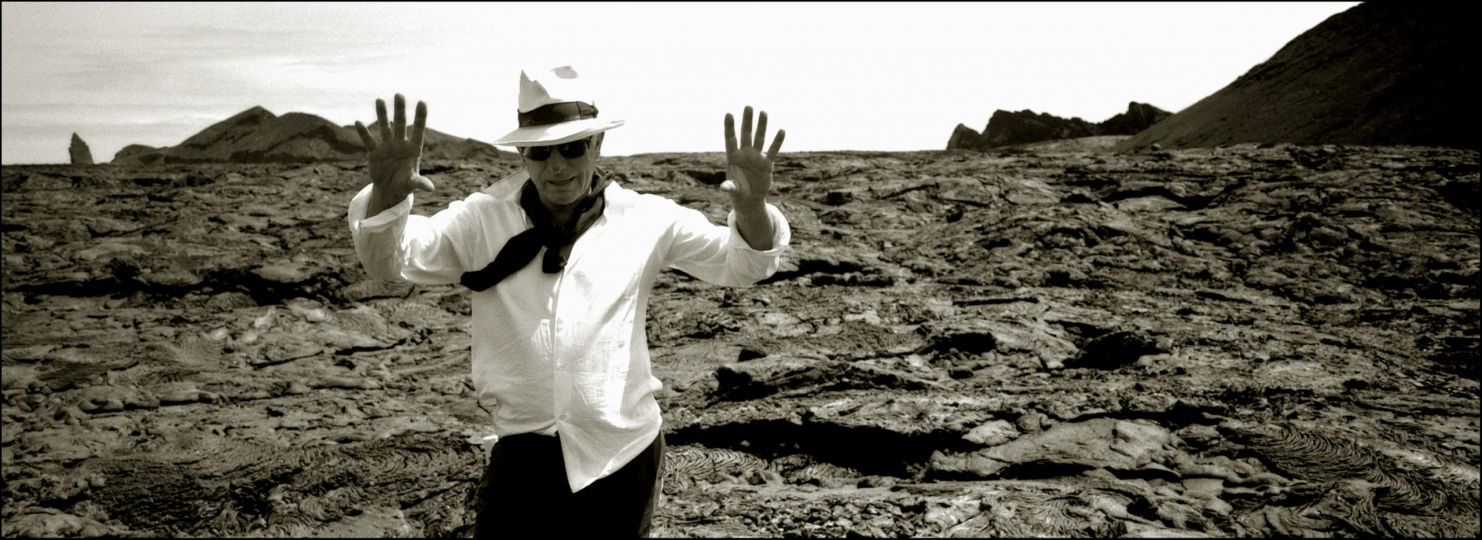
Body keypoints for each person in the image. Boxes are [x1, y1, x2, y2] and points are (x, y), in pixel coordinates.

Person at [346, 65, 791, 537]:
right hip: (521, 454)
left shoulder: (644, 218)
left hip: (621, 451)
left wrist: (750, 209)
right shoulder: (482, 220)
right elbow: (391, 261)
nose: (557, 166)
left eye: (573, 147)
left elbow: (744, 265)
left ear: (597, 145)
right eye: (540, 152)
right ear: (523, 154)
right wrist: (389, 200)